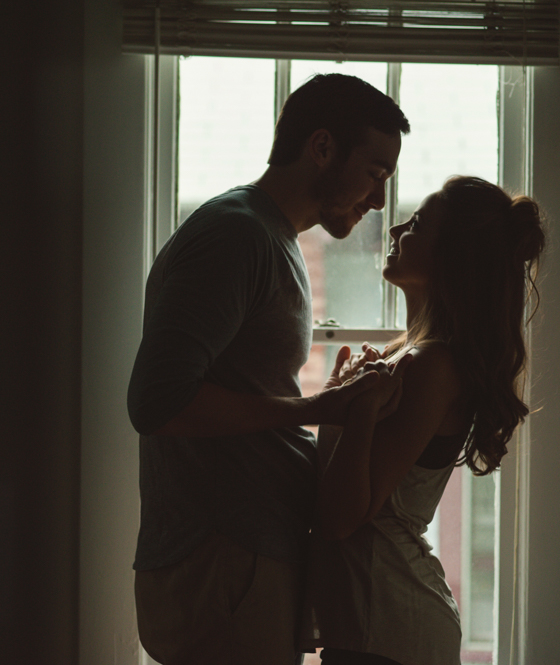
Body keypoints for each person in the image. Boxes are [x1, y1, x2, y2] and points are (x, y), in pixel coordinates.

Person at [127, 74, 411, 665]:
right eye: (375, 173)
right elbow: (157, 402)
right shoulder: (237, 235)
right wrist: (316, 407)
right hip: (222, 555)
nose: (380, 200)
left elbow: (241, 388)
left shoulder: (270, 236)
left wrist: (329, 399)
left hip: (242, 552)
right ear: (323, 147)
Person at [302, 176, 546, 665]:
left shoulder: (431, 366)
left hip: (391, 629)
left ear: (451, 257)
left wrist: (358, 411)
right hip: (374, 622)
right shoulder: (406, 356)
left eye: (414, 225)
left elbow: (341, 518)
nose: (395, 230)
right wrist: (337, 400)